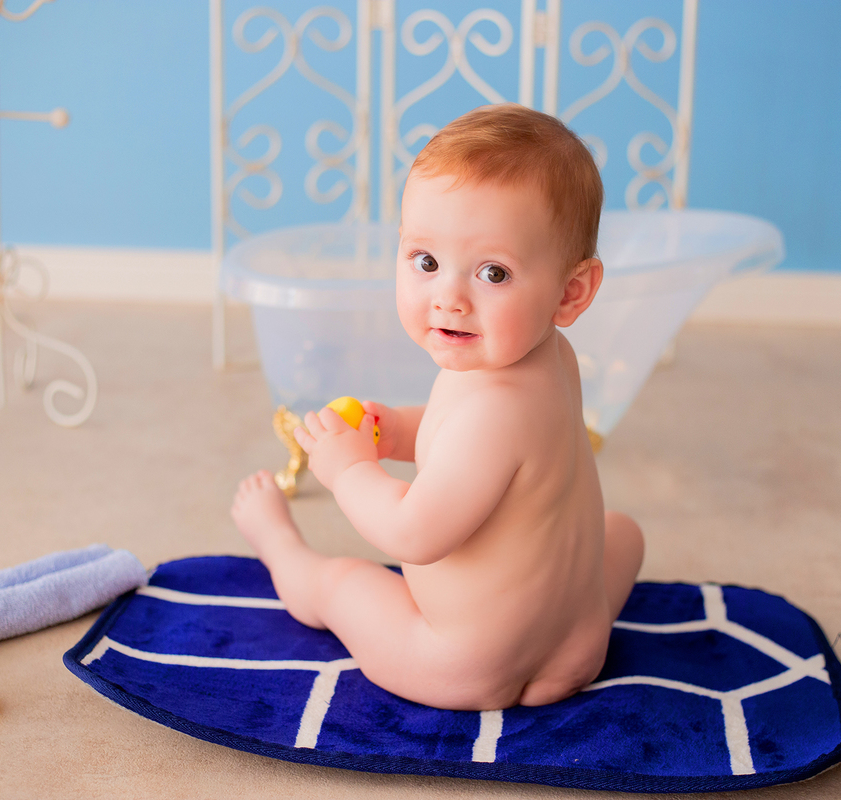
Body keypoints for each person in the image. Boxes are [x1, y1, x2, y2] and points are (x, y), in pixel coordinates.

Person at [232, 103, 644, 711]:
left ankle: (282, 549)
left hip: (462, 662)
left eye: (493, 273)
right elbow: (487, 456)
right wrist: (397, 431)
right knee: (622, 533)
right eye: (425, 262)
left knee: (345, 583)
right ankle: (566, 635)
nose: (448, 297)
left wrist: (348, 469)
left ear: (571, 290)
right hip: (580, 646)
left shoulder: (493, 408)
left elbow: (412, 531)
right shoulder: (551, 355)